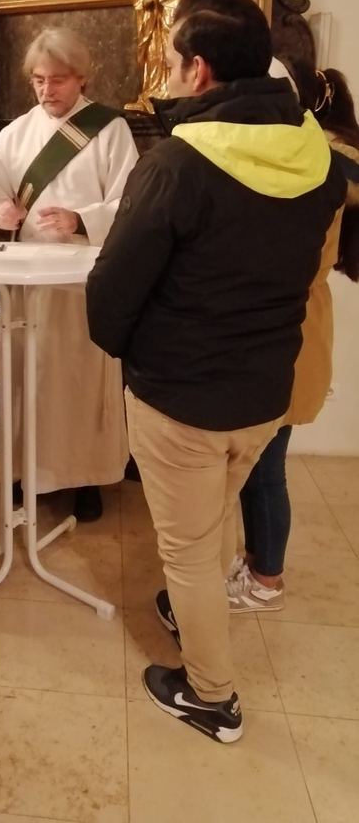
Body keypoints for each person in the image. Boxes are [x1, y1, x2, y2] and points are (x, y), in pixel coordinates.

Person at [86, 0, 346, 742]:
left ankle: (211, 696)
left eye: (170, 60)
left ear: (198, 70)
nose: (166, 72)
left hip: (182, 397)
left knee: (190, 549)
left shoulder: (178, 164)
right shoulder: (316, 155)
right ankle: (188, 609)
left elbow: (111, 294)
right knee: (213, 519)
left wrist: (132, 353)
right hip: (266, 393)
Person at [0, 27, 139, 522]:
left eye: (59, 80)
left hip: (82, 285)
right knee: (29, 380)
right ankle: (29, 472)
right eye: (39, 80)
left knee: (79, 382)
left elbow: (130, 203)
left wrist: (81, 219)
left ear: (82, 77)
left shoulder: (110, 131)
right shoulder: (15, 134)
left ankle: (85, 477)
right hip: (28, 286)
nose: (47, 90)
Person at [226, 61, 359, 612]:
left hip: (291, 324)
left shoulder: (320, 160)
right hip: (287, 320)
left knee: (265, 467)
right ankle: (257, 562)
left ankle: (266, 580)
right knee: (257, 463)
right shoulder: (315, 155)